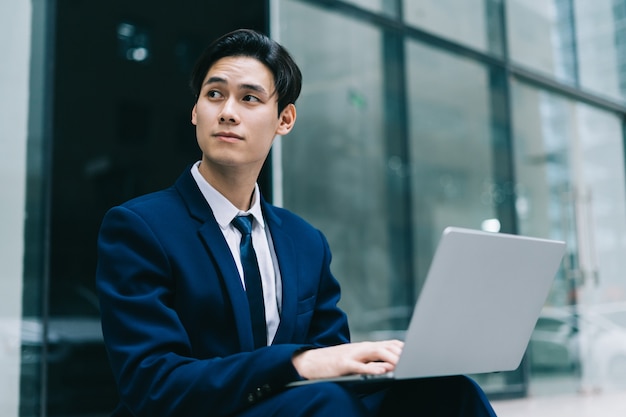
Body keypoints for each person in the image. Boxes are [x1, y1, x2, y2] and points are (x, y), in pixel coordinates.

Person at [96, 28, 498, 417]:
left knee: (449, 391)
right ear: (195, 112)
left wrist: (383, 361)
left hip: (298, 407)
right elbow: (153, 384)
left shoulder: (306, 242)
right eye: (214, 94)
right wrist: (298, 363)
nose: (228, 112)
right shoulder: (139, 227)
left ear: (284, 120)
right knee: (326, 404)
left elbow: (332, 361)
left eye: (249, 98)